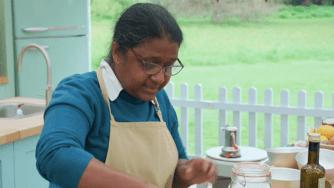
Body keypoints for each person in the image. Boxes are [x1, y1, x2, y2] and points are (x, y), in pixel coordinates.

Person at [36, 3, 217, 188]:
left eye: (168, 66)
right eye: (149, 64)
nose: (160, 78)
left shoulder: (159, 101)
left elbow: (173, 171)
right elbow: (54, 155)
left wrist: (184, 172)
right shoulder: (82, 93)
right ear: (117, 53)